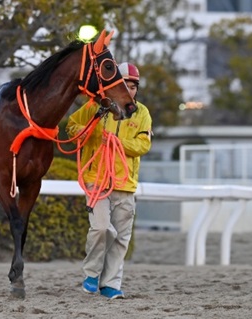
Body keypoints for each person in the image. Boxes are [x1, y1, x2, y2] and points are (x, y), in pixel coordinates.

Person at [66, 62, 152, 299]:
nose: (129, 90)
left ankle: (110, 284)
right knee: (101, 228)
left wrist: (115, 142)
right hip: (97, 181)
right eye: (125, 85)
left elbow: (143, 144)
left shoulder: (142, 113)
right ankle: (92, 273)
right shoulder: (95, 105)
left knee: (121, 238)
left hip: (125, 184)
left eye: (133, 86)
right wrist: (93, 132)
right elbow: (72, 127)